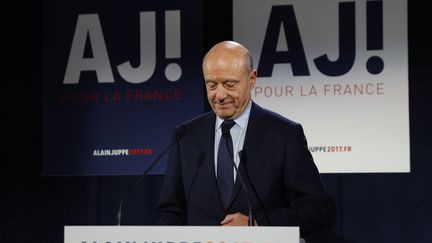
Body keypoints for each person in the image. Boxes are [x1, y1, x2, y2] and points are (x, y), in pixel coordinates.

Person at [156, 40, 334, 236]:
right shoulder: (186, 135)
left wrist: (257, 224)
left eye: (229, 84)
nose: (220, 95)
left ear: (252, 79)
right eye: (211, 84)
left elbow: (317, 209)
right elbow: (169, 212)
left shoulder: (284, 135)